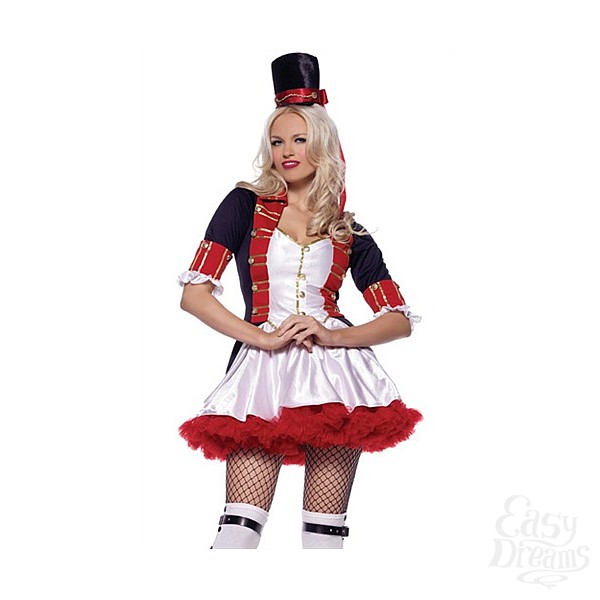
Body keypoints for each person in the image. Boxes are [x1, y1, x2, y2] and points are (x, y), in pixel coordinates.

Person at [177, 52, 422, 549]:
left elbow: (398, 320)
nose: (286, 152)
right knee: (237, 533)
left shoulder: (347, 228)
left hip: (338, 380)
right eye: (277, 141)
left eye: (299, 139)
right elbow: (194, 295)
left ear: (323, 145)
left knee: (324, 538)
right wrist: (262, 338)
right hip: (260, 376)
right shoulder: (244, 204)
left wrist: (333, 335)